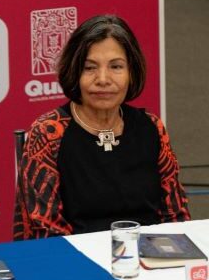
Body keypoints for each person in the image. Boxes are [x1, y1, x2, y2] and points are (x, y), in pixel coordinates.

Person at [14, 15, 190, 240]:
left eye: (116, 66)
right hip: (77, 257)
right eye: (90, 68)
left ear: (132, 72)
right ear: (74, 72)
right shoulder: (49, 134)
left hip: (150, 253)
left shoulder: (151, 127)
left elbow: (176, 218)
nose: (103, 79)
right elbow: (45, 232)